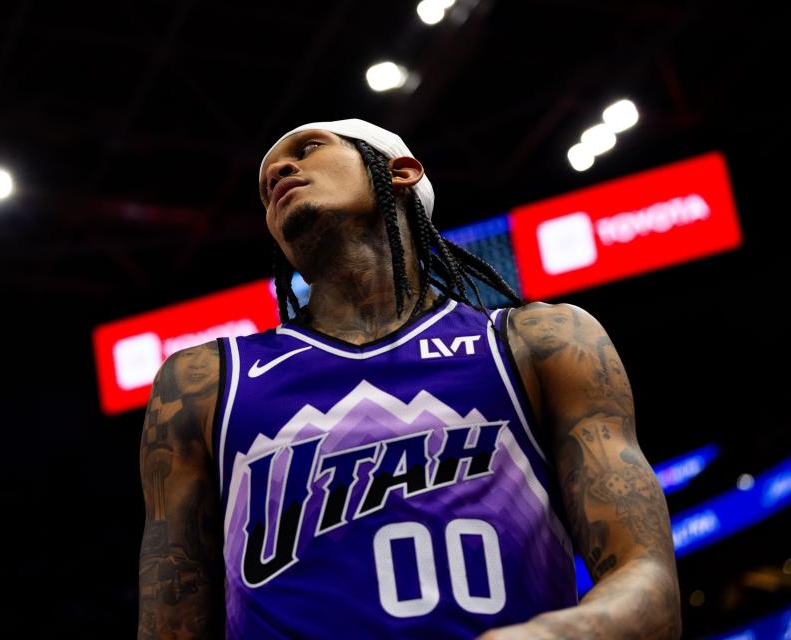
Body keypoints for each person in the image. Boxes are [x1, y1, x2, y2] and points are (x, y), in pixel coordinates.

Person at [137, 119, 681, 639]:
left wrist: (560, 633)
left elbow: (650, 586)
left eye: (306, 149)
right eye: (265, 184)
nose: (278, 173)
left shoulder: (541, 342)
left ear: (400, 171)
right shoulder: (204, 381)